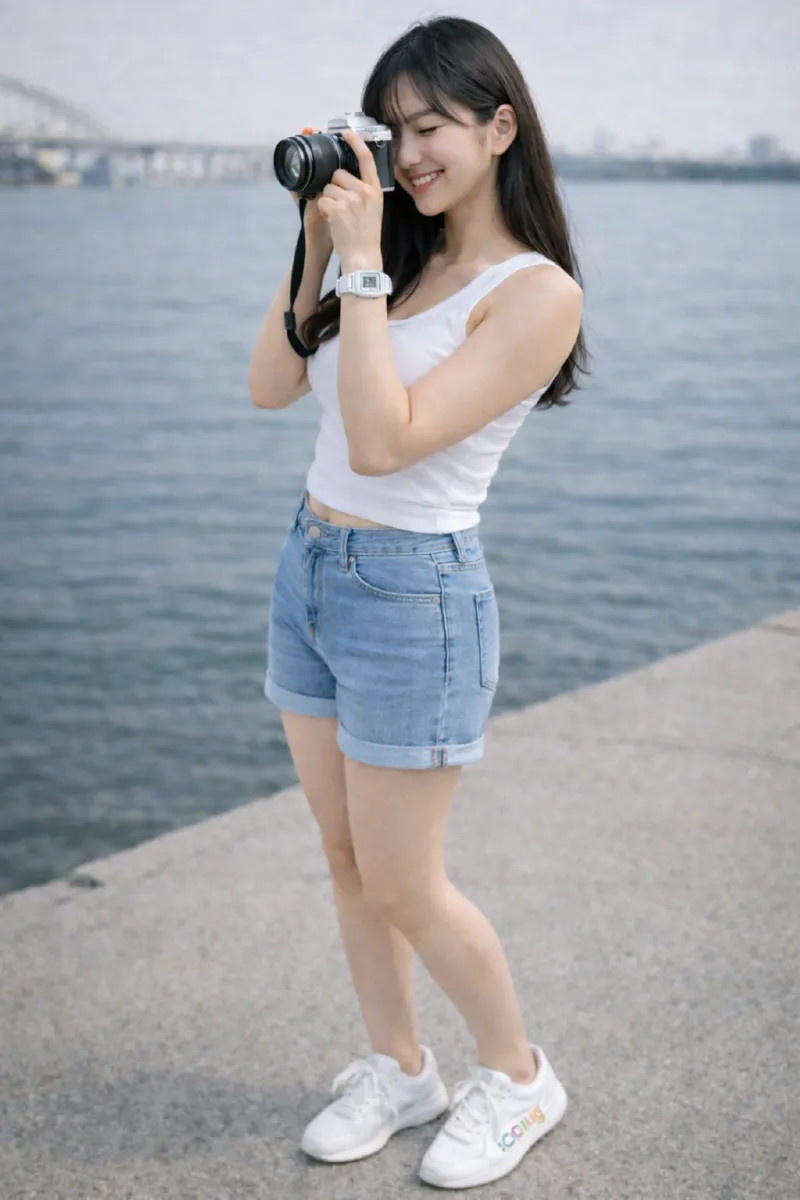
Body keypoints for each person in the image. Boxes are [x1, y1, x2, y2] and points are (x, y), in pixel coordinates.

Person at [248, 15, 589, 1191]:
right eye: (388, 130)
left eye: (430, 127)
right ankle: (400, 1070)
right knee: (346, 857)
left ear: (499, 129)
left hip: (413, 595)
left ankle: (518, 1075)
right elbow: (268, 385)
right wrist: (318, 238)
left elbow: (384, 443)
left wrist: (359, 267)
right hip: (310, 569)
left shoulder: (535, 294)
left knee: (404, 880)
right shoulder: (390, 255)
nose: (405, 155)